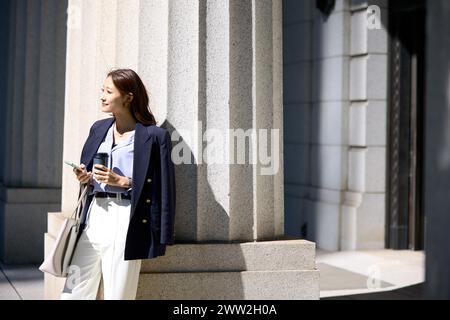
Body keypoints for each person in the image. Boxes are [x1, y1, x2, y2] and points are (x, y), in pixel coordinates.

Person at [60, 69, 176, 300]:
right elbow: (91, 170)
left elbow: (164, 189)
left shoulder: (154, 136)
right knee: (74, 292)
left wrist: (123, 181)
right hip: (94, 216)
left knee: (118, 295)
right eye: (102, 90)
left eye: (108, 91)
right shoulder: (99, 128)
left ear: (128, 97)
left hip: (126, 219)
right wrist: (86, 177)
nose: (102, 96)